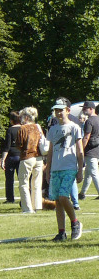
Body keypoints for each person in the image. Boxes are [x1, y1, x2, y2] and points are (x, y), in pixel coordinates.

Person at [43, 100, 84, 241]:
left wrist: (80, 170)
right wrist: (47, 170)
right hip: (56, 168)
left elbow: (80, 150)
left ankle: (75, 222)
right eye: (56, 110)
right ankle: (61, 232)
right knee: (57, 202)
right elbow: (50, 152)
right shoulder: (53, 129)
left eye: (61, 110)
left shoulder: (74, 127)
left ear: (67, 110)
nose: (59, 113)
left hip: (69, 167)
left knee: (63, 196)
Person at [14, 107, 43, 213]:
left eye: (21, 116)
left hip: (27, 157)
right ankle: (37, 206)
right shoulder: (38, 127)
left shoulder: (22, 128)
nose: (20, 119)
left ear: (26, 117)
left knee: (23, 183)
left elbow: (19, 144)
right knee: (36, 183)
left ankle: (27, 208)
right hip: (39, 157)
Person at [0, 110, 21, 204]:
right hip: (21, 156)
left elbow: (7, 147)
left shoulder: (10, 130)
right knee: (22, 179)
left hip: (12, 156)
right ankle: (24, 197)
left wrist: (2, 159)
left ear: (11, 120)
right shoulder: (23, 128)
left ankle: (10, 198)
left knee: (9, 179)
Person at [79, 101, 99, 200]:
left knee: (94, 173)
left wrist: (81, 149)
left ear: (91, 109)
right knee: (88, 173)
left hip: (90, 150)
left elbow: (86, 137)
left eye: (85, 108)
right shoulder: (98, 119)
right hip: (97, 149)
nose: (83, 110)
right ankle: (82, 193)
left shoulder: (89, 121)